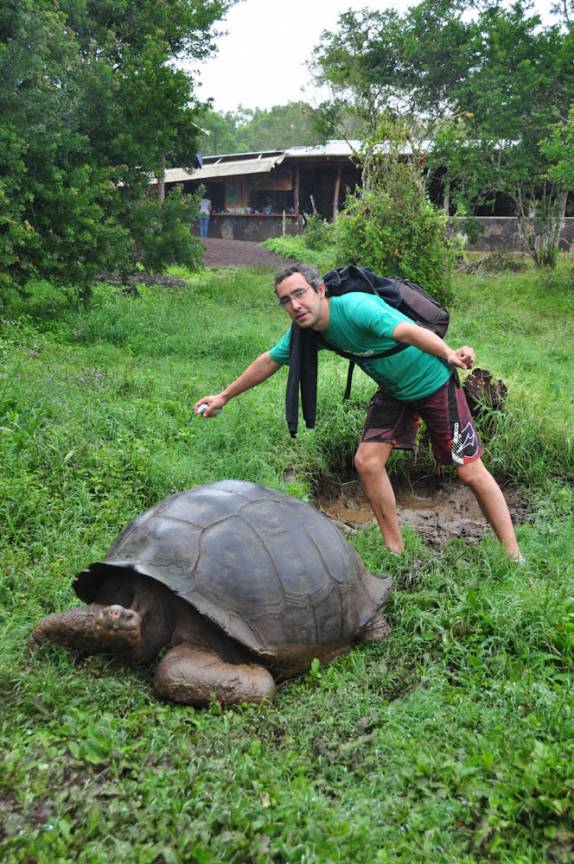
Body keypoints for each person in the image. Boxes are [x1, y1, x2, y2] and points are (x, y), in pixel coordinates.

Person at [195, 263, 524, 561]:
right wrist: (224, 396)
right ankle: (395, 549)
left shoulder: (356, 308)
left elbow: (408, 331)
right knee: (367, 462)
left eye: (300, 294)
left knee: (469, 471)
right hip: (394, 391)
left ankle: (513, 556)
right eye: (286, 300)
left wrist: (448, 353)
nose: (295, 305)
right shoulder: (307, 330)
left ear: (320, 290)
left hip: (434, 382)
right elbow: (270, 360)